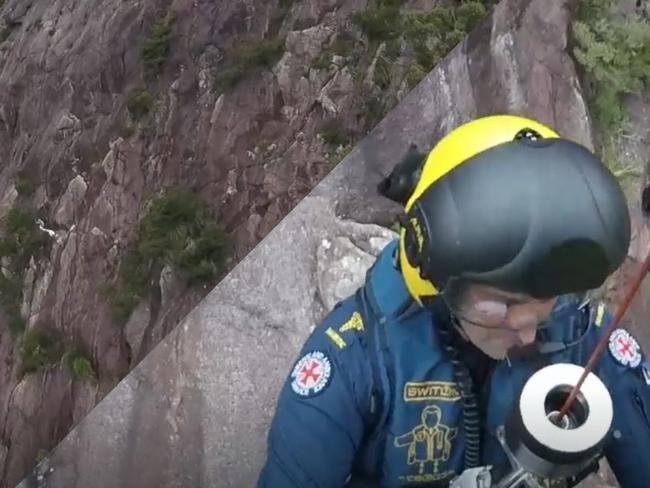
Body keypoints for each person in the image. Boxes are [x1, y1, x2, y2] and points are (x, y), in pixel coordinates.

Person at [256, 115, 650, 488]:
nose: (529, 329)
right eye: (506, 303)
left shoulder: (583, 334)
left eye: (547, 298)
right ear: (437, 279)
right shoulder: (352, 364)